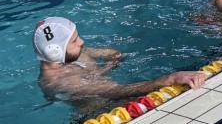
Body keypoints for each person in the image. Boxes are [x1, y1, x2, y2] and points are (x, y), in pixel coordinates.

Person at [34, 17, 206, 104]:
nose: (82, 42)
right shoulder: (61, 82)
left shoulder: (74, 54)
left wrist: (107, 68)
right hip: (106, 112)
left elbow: (115, 54)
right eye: (74, 41)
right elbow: (116, 91)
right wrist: (170, 79)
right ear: (55, 51)